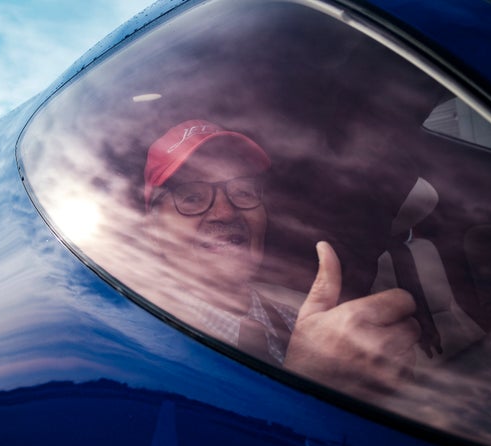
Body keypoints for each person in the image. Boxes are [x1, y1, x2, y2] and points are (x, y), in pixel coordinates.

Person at [144, 119, 420, 396]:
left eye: (243, 192)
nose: (225, 213)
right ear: (154, 229)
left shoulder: (303, 322)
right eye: (192, 197)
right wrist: (313, 382)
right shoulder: (135, 344)